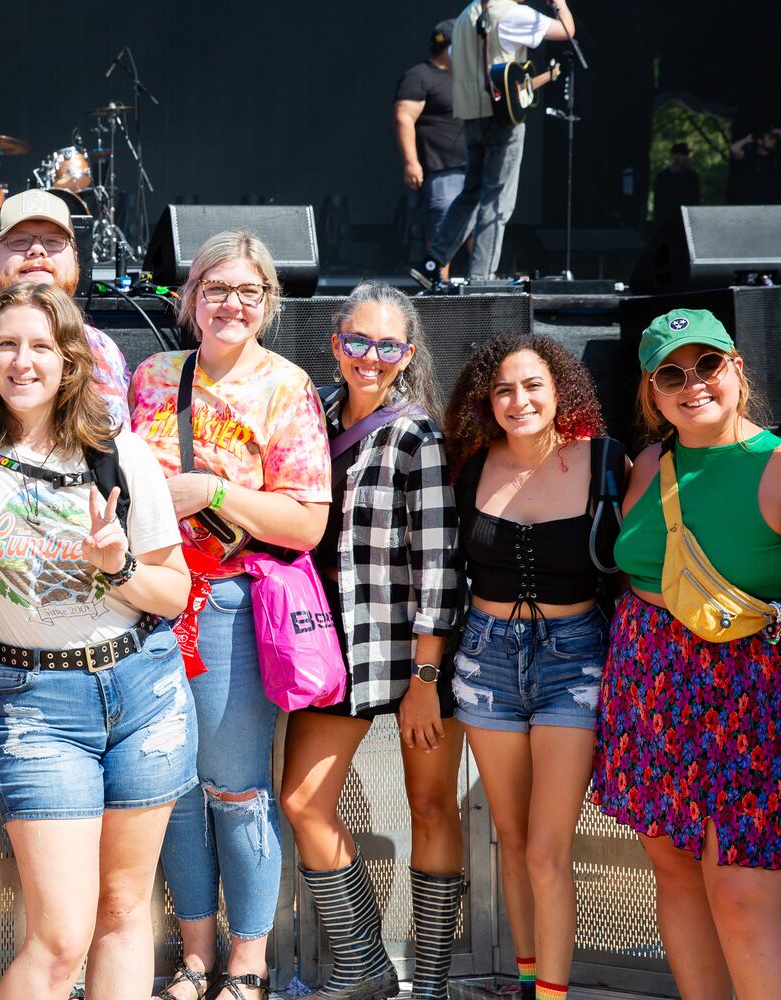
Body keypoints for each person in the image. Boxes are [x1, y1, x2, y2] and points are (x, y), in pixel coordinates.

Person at [0, 280, 192, 999]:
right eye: (7, 346)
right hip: (36, 704)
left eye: (40, 347)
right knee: (57, 939)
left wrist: (117, 566)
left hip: (144, 690)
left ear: (68, 360)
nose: (23, 361)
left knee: (122, 909)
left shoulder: (117, 451)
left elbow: (171, 593)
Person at [0, 187, 132, 1000]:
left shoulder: (106, 356)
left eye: (53, 243)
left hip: (87, 635)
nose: (36, 255)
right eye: (20, 243)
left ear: (76, 261)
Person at [129, 231, 331, 1000]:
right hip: (148, 603)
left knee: (234, 788)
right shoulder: (151, 378)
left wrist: (210, 492)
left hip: (229, 606)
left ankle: (248, 966)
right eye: (215, 288)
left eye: (248, 291)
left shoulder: (286, 388)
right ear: (188, 298)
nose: (230, 304)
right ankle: (194, 957)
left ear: (268, 303)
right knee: (171, 787)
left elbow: (306, 524)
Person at [279, 282, 464, 1000]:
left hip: (414, 656)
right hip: (337, 652)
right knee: (302, 803)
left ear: (406, 355)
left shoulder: (417, 434)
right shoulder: (310, 421)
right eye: (357, 340)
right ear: (334, 342)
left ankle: (433, 984)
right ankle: (364, 966)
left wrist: (425, 678)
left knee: (430, 808)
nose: (370, 356)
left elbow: (438, 563)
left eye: (387, 346)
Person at [592, 309, 781, 1000]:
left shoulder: (775, 464)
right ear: (651, 392)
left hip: (748, 696)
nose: (691, 383)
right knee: (670, 869)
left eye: (706, 364)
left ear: (737, 368)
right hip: (652, 688)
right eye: (670, 373)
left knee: (738, 890)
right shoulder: (650, 462)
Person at [442, 332, 625, 1000]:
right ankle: (525, 983)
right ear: (486, 402)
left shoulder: (604, 460)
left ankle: (552, 994)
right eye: (503, 390)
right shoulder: (468, 467)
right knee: (513, 841)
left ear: (559, 391)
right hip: (485, 660)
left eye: (531, 386)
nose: (517, 400)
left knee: (548, 849)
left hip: (573, 659)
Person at [414, 0, 575, 287]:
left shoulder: (465, 16)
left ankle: (432, 262)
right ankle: (481, 278)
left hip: (472, 117)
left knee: (471, 194)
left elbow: (455, 55)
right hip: (503, 119)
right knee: (497, 200)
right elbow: (566, 30)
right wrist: (560, 4)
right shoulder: (512, 14)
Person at [395, 18, 469, 280]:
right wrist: (411, 162)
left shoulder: (465, 75)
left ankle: (484, 288)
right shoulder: (419, 76)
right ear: (450, 47)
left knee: (476, 230)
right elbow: (404, 117)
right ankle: (438, 287)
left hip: (471, 167)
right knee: (441, 230)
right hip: (441, 169)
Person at [728, 124, 781, 205]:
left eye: (775, 138)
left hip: (774, 205)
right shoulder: (750, 157)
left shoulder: (777, 157)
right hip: (752, 204)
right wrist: (747, 139)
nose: (773, 141)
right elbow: (734, 149)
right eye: (770, 138)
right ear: (760, 141)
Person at [652, 141, 702, 228]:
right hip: (667, 223)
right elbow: (658, 204)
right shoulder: (662, 177)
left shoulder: (691, 176)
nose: (687, 158)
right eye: (684, 154)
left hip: (686, 223)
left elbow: (696, 201)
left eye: (687, 154)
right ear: (675, 156)